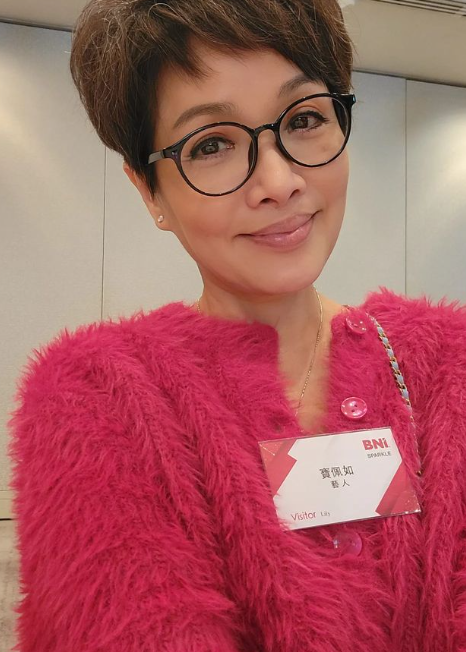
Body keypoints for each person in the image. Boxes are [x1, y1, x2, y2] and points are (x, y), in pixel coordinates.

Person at [7, 0, 466, 651]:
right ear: (148, 191)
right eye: (212, 144)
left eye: (304, 118)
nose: (278, 182)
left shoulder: (448, 366)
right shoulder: (98, 396)